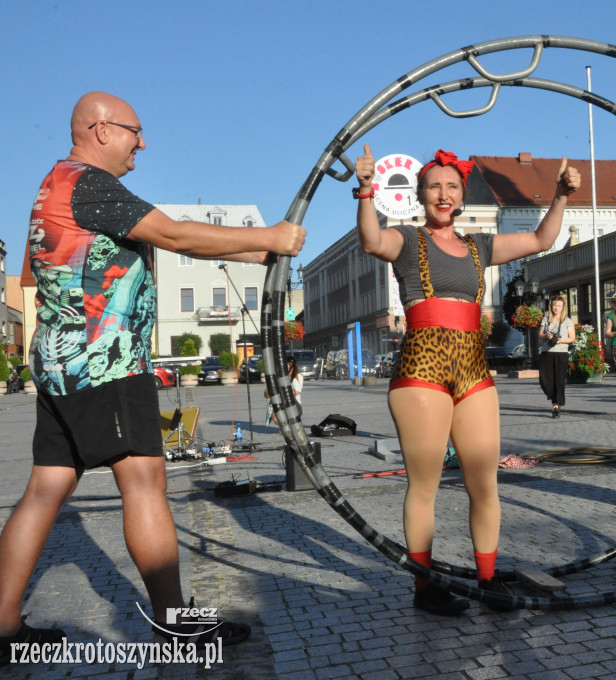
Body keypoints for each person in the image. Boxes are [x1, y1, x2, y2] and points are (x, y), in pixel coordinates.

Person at [0, 91, 305, 663]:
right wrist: (270, 238)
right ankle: (177, 627)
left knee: (45, 491)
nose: (143, 142)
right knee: (144, 485)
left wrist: (259, 255)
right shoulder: (91, 185)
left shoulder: (53, 186)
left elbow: (37, 273)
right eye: (135, 131)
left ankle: (2, 628)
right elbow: (176, 235)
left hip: (61, 363)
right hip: (107, 362)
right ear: (99, 128)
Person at [355, 145, 580, 615]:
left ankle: (488, 578)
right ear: (420, 195)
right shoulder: (404, 240)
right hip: (422, 369)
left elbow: (541, 239)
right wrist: (365, 189)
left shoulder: (479, 246)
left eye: (451, 187)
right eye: (434, 186)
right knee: (425, 484)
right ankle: (424, 588)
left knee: (485, 482)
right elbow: (371, 241)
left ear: (460, 196)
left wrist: (560, 196)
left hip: (474, 368)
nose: (443, 194)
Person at [537, 295, 576, 418]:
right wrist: (547, 336)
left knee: (559, 380)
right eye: (554, 305)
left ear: (563, 307)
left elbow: (572, 338)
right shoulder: (546, 319)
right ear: (551, 306)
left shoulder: (567, 321)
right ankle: (553, 397)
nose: (556, 308)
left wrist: (560, 341)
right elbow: (540, 335)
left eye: (559, 305)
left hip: (561, 353)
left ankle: (556, 405)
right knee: (545, 379)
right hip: (546, 353)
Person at [265, 355, 303, 424]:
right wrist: (269, 389)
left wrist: (279, 394)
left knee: (289, 416)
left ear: (294, 366)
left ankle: (289, 428)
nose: (288, 367)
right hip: (280, 403)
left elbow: (296, 392)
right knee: (276, 419)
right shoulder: (277, 376)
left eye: (289, 365)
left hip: (293, 404)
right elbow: (266, 394)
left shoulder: (297, 376)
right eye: (286, 364)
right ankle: (284, 427)